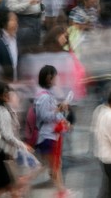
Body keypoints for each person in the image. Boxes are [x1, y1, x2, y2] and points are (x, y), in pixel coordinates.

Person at [0, 81, 37, 198]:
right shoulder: (2, 111)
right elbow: (7, 135)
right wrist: (23, 145)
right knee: (0, 189)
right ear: (0, 95)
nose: (8, 96)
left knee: (6, 187)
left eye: (8, 93)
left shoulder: (0, 108)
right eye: (5, 94)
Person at [35, 65, 70, 196]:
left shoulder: (49, 95)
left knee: (52, 165)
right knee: (51, 165)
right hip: (47, 135)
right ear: (49, 78)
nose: (57, 78)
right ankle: (62, 191)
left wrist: (63, 118)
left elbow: (54, 114)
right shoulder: (44, 97)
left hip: (52, 135)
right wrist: (59, 110)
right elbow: (44, 116)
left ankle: (61, 191)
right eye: (55, 76)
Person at [0, 11, 20, 82]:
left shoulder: (18, 42)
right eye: (12, 20)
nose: (15, 23)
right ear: (4, 23)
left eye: (16, 20)